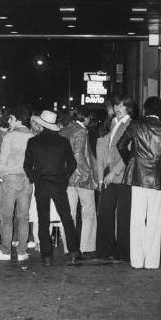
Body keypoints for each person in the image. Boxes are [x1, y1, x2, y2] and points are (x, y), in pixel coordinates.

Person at [117, 97, 161, 269]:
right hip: (157, 179)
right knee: (154, 220)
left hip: (137, 177)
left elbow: (121, 145)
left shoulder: (136, 125)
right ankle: (151, 262)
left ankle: (137, 261)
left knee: (136, 219)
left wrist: (131, 160)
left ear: (146, 110)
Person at [23, 110, 82, 266]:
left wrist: (35, 178)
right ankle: (74, 251)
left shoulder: (33, 142)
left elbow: (27, 166)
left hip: (41, 184)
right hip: (58, 184)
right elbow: (72, 163)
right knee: (66, 218)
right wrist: (63, 178)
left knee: (43, 220)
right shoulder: (62, 142)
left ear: (42, 124)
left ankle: (47, 256)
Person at [95, 95, 136, 262]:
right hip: (109, 174)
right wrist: (101, 176)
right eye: (116, 105)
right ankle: (105, 249)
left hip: (124, 175)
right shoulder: (113, 123)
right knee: (104, 211)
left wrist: (114, 172)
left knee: (124, 215)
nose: (118, 108)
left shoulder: (131, 124)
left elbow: (130, 152)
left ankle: (123, 252)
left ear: (128, 108)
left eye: (122, 105)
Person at [0, 106, 34, 262]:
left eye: (10, 118)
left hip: (10, 179)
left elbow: (2, 160)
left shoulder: (10, 136)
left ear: (16, 118)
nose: (9, 121)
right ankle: (22, 252)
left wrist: (1, 173)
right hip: (27, 179)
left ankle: (6, 251)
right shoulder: (32, 135)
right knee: (23, 217)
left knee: (7, 217)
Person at [59, 105, 97, 258]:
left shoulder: (65, 130)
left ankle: (69, 248)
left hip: (67, 178)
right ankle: (85, 247)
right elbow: (79, 154)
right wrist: (87, 173)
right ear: (86, 118)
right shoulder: (81, 131)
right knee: (88, 212)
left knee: (69, 214)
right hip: (81, 178)